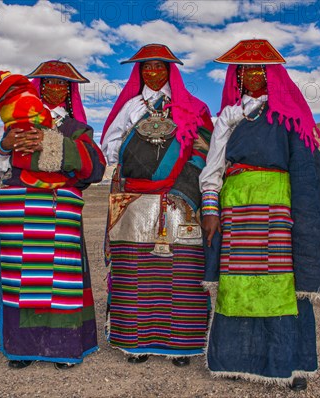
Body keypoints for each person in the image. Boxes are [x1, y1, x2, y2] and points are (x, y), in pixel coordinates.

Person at [199, 40, 320, 390]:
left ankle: (290, 365)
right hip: (237, 210)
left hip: (277, 211)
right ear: (236, 77)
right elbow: (212, 169)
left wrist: (302, 222)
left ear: (271, 75)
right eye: (244, 70)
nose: (252, 75)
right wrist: (210, 208)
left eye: (259, 69)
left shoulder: (289, 118)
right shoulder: (228, 119)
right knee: (238, 285)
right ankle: (235, 359)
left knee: (281, 286)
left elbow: (306, 173)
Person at [0, 60, 106, 370]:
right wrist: (5, 143)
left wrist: (55, 145)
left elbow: (96, 167)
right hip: (20, 210)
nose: (54, 88)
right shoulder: (17, 120)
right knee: (20, 278)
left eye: (61, 84)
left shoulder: (77, 129)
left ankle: (62, 347)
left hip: (57, 210)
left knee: (60, 280)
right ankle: (21, 347)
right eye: (48, 83)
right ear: (39, 87)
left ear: (69, 92)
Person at [101, 44, 214, 367]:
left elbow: (204, 147)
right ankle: (136, 342)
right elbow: (110, 148)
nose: (153, 72)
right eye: (146, 67)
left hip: (181, 200)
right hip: (135, 201)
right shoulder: (130, 107)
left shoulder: (192, 107)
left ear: (170, 70)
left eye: (159, 67)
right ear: (139, 72)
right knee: (135, 272)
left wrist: (184, 186)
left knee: (182, 273)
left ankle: (183, 344)